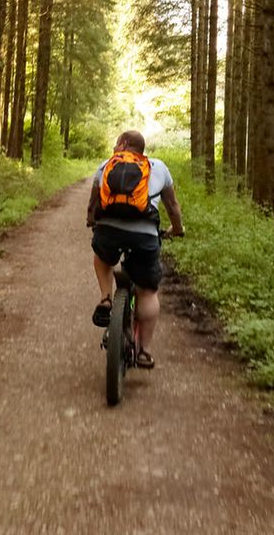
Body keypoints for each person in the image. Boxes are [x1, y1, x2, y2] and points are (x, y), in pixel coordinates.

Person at [85, 130, 184, 369]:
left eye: (117, 142)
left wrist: (92, 221)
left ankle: (106, 299)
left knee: (102, 259)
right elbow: (172, 205)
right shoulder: (158, 167)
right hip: (144, 235)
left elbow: (94, 200)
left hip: (108, 230)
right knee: (148, 291)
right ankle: (144, 351)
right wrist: (177, 229)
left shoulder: (107, 164)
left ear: (124, 144)